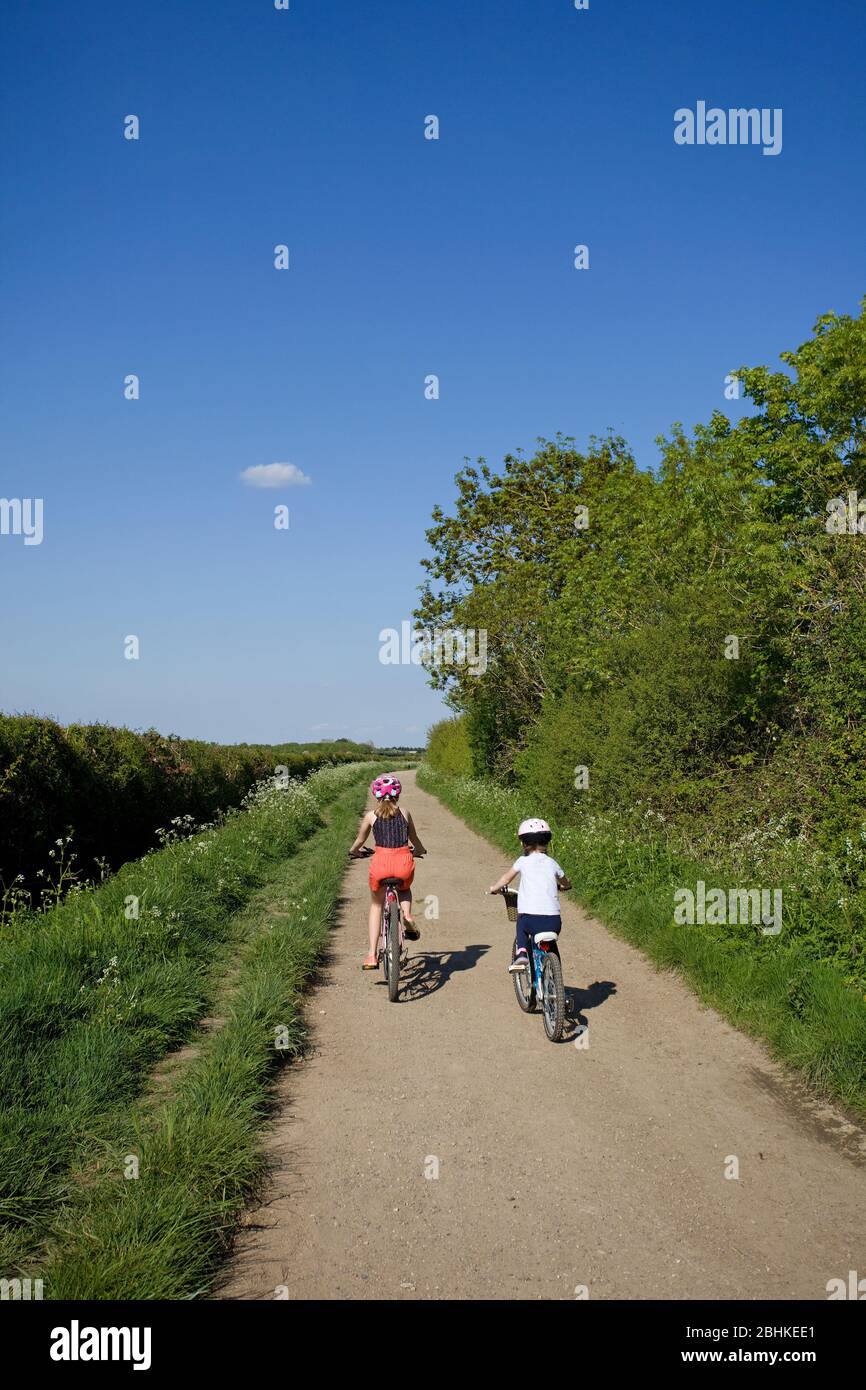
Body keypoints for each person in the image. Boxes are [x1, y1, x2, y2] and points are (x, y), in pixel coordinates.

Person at [349, 774, 427, 970]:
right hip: (403, 863)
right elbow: (415, 839)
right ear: (397, 795)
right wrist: (419, 850)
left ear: (375, 795)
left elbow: (360, 841)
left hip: (380, 864)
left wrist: (354, 852)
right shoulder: (405, 813)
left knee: (376, 905)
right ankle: (407, 915)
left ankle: (372, 955)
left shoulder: (371, 816)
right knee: (404, 889)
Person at [489, 817, 571, 972]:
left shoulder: (522, 861)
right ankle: (556, 972)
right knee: (551, 945)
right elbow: (565, 882)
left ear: (524, 843)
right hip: (554, 922)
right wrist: (565, 886)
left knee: (521, 923)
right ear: (547, 842)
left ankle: (522, 953)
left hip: (530, 920)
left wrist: (495, 888)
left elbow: (506, 879)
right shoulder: (552, 863)